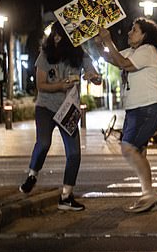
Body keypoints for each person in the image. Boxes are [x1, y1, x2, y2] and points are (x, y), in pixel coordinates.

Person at [19, 21, 102, 211]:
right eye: (54, 35)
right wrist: (60, 86)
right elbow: (40, 84)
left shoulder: (80, 55)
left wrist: (94, 78)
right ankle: (32, 174)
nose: (55, 38)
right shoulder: (45, 55)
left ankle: (66, 195)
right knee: (44, 143)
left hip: (69, 109)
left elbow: (94, 75)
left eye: (60, 35)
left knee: (74, 153)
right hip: (45, 108)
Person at [96, 18, 157, 213]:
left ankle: (149, 194)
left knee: (128, 148)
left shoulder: (147, 50)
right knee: (138, 152)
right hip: (136, 108)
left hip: (148, 107)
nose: (129, 33)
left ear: (144, 35)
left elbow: (124, 64)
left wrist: (108, 40)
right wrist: (98, 43)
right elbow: (111, 58)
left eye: (134, 30)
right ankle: (147, 195)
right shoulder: (134, 51)